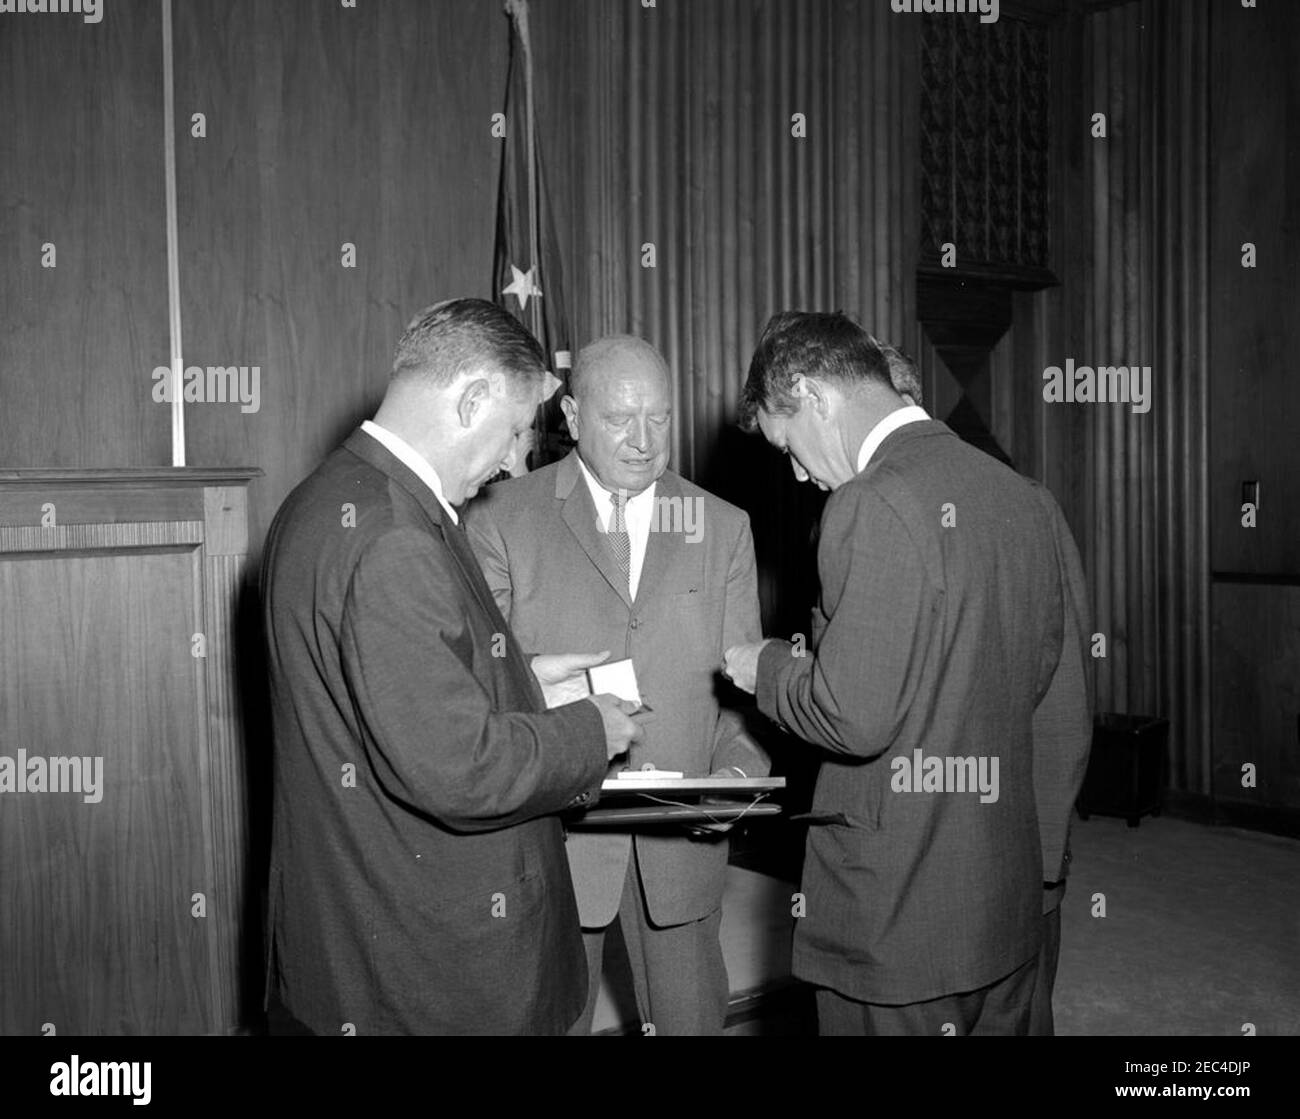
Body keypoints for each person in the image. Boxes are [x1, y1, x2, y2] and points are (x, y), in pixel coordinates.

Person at [261, 298, 642, 1035]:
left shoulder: (328, 497)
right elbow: (456, 768)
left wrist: (528, 680)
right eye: (516, 430)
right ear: (472, 398)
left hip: (359, 937)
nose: (513, 460)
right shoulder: (394, 535)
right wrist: (589, 729)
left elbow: (389, 688)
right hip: (431, 970)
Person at [723, 311, 1091, 1036]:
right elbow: (1065, 711)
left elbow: (853, 714)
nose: (796, 471)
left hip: (896, 927)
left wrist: (761, 664)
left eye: (786, 443)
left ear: (813, 395)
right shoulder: (1027, 498)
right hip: (1008, 906)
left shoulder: (869, 501)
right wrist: (1039, 876)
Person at [466, 335, 769, 1035]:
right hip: (556, 837)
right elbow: (480, 687)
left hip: (682, 842)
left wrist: (738, 775)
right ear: (571, 416)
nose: (643, 440)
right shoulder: (502, 516)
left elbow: (744, 694)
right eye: (619, 419)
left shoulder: (723, 528)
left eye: (659, 418)